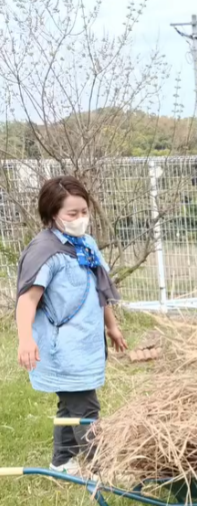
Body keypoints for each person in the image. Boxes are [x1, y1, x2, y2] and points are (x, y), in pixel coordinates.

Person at [15, 176, 128, 476]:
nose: (80, 218)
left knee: (70, 406)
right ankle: (101, 469)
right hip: (64, 349)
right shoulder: (45, 252)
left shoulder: (86, 244)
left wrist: (112, 326)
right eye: (72, 213)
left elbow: (98, 289)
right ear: (53, 214)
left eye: (84, 212)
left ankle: (62, 462)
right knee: (86, 410)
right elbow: (27, 300)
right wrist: (25, 339)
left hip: (87, 343)